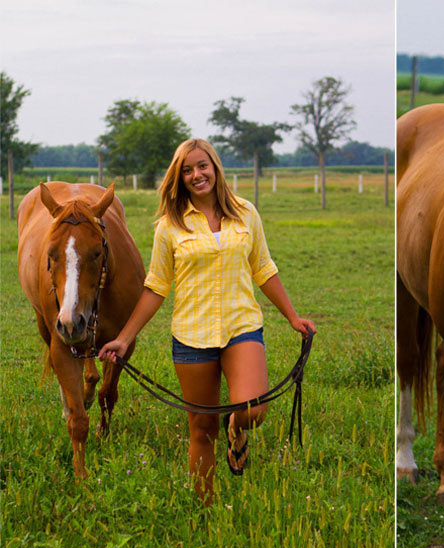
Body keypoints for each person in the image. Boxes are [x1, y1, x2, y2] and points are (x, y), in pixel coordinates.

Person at [99, 138, 315, 505]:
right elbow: (155, 287)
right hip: (191, 336)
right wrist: (123, 338)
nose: (196, 175)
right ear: (179, 178)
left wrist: (292, 317)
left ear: (215, 168)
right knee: (201, 428)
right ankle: (205, 508)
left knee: (253, 409)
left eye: (202, 166)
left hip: (241, 328)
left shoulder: (246, 213)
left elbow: (263, 268)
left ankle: (238, 428)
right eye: (187, 170)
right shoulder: (169, 226)